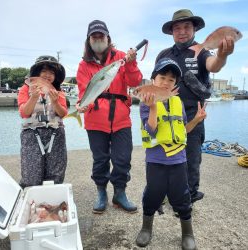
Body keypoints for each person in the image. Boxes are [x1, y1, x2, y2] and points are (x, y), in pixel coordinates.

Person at [156, 9, 234, 203]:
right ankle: (169, 192)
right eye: (177, 28)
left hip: (193, 114)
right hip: (167, 115)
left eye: (187, 27)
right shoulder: (164, 54)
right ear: (172, 32)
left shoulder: (202, 51)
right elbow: (155, 82)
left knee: (192, 159)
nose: (182, 31)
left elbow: (213, 65)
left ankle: (188, 196)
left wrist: (223, 56)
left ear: (194, 29)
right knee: (167, 155)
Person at [135, 58, 207, 249]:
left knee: (182, 195)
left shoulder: (178, 102)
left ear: (175, 84)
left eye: (171, 79)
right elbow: (151, 130)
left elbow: (183, 130)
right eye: (162, 77)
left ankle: (187, 232)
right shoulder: (145, 102)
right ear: (153, 80)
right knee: (153, 193)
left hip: (178, 160)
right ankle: (146, 228)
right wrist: (152, 107)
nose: (166, 82)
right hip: (156, 160)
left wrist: (197, 120)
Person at [76, 20, 142, 214]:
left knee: (123, 159)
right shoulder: (83, 65)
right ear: (88, 40)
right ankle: (101, 193)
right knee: (100, 159)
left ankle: (120, 193)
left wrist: (130, 64)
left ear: (108, 38)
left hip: (121, 119)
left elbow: (135, 81)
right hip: (95, 120)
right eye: (94, 36)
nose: (98, 39)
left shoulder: (122, 57)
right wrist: (82, 104)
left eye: (101, 35)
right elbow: (83, 92)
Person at [17, 56, 68, 188]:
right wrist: (33, 97)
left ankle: (51, 200)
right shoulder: (25, 89)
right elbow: (24, 113)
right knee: (31, 175)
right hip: (32, 134)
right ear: (37, 73)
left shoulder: (58, 91)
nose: (48, 75)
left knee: (55, 174)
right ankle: (31, 198)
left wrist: (56, 102)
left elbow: (63, 114)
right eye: (44, 71)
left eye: (52, 72)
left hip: (55, 134)